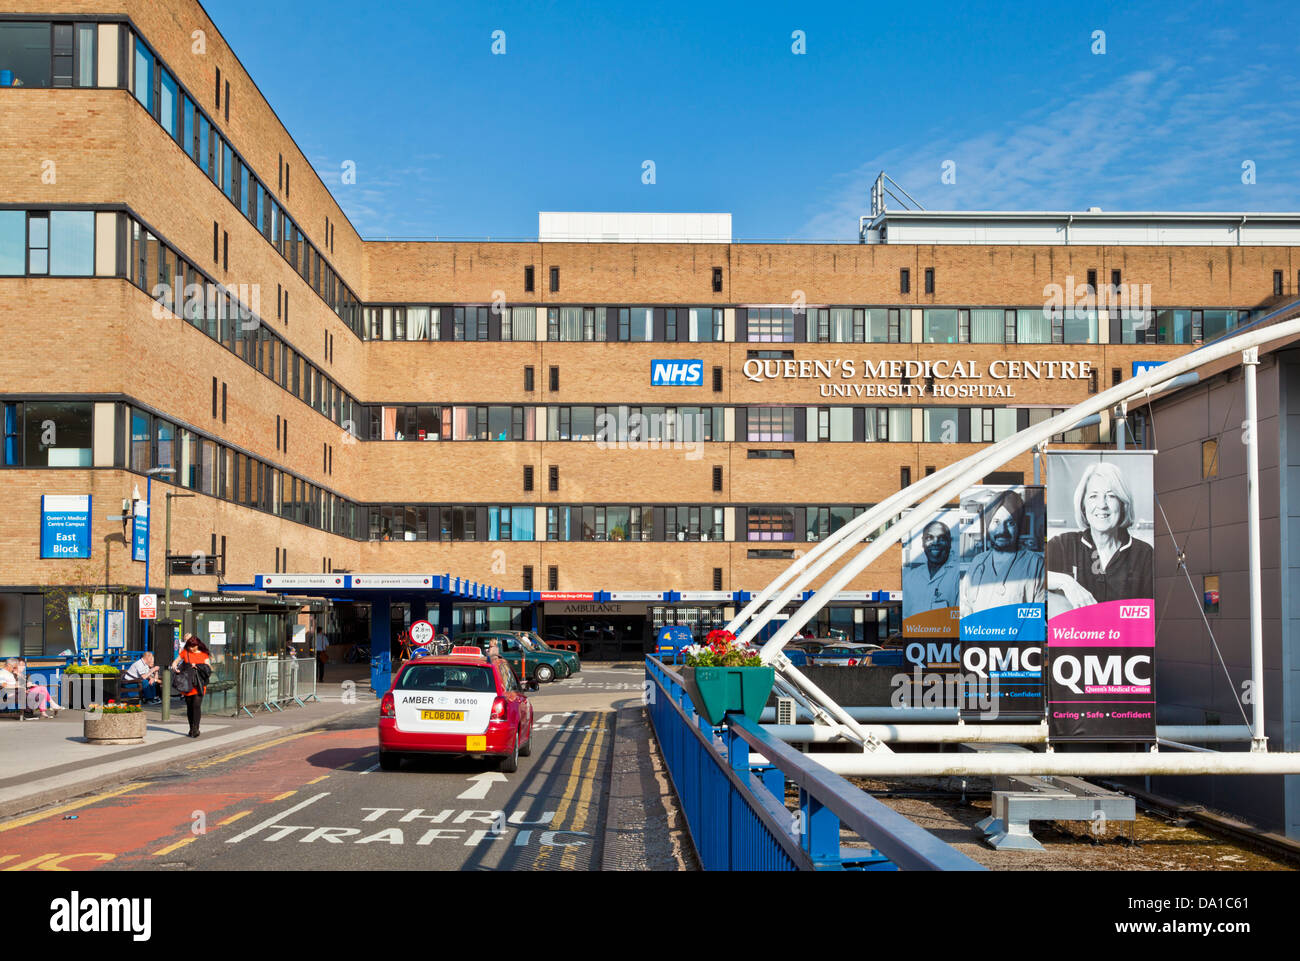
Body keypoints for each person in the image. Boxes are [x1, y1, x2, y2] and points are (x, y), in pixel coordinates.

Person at [1047, 461, 1155, 610]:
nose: (1102, 505)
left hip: (1123, 634)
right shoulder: (1063, 545)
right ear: (1083, 505)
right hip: (1079, 634)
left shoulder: (1144, 554)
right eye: (1093, 496)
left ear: (1123, 503)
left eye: (1111, 496)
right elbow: (1031, 576)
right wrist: (1066, 582)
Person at [961, 489, 1046, 617]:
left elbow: (1036, 621)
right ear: (988, 526)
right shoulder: (978, 562)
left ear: (1019, 527)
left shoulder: (1035, 564)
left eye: (1010, 523)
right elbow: (964, 609)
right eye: (996, 522)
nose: (1002, 530)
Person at [903, 520, 960, 615]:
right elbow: (905, 617)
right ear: (923, 542)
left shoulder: (958, 576)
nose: (935, 543)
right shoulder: (910, 578)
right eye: (930, 538)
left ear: (949, 543)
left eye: (942, 539)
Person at [172, 634, 211, 738]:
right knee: (189, 706)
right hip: (188, 683)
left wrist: (197, 666)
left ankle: (196, 728)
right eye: (189, 646)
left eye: (193, 646)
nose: (191, 648)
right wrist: (175, 668)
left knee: (196, 705)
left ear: (198, 645)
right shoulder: (185, 652)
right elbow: (175, 663)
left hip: (199, 683)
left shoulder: (204, 654)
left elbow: (208, 668)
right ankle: (191, 728)